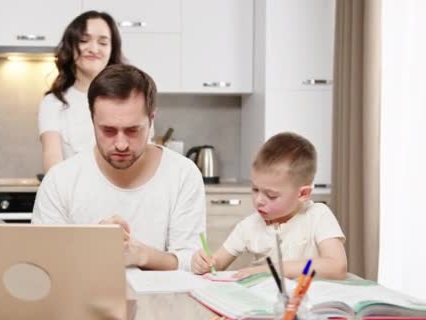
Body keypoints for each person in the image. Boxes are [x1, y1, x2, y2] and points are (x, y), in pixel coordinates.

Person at [32, 64, 205, 272]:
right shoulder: (60, 180)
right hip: (82, 303)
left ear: (151, 120)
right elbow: (41, 266)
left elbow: (191, 263)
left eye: (133, 130)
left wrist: (142, 255)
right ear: (92, 120)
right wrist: (89, 244)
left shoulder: (183, 175)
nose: (121, 144)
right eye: (108, 130)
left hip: (164, 303)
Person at [191, 132, 347, 280]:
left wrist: (270, 270)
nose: (259, 200)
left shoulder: (318, 215)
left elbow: (337, 266)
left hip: (308, 303)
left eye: (271, 195)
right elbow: (217, 264)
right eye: (255, 189)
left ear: (303, 194)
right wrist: (204, 264)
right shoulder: (248, 226)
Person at [38, 10, 124, 172]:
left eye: (103, 43)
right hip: (71, 194)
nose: (93, 48)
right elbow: (52, 164)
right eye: (84, 40)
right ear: (71, 46)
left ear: (112, 50)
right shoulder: (53, 103)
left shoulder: (130, 98)